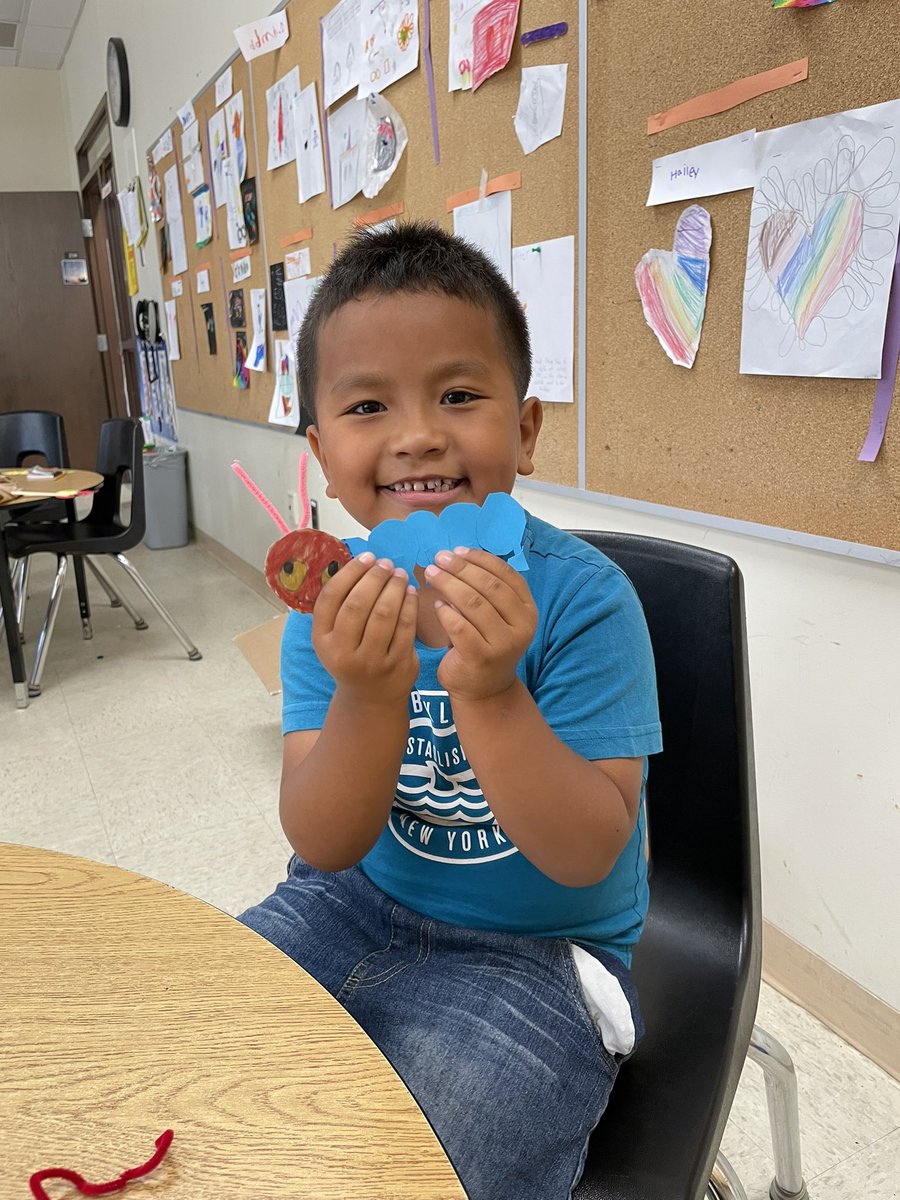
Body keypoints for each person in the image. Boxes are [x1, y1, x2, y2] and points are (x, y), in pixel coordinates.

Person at [239, 221, 662, 1200]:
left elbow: (588, 851)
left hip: (539, 961)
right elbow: (323, 838)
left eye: (460, 396)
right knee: (203, 1040)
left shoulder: (587, 600)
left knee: (410, 1162)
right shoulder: (328, 609)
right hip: (345, 903)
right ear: (321, 447)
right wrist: (372, 694)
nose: (419, 432)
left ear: (523, 427)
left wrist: (490, 692)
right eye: (368, 404)